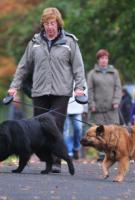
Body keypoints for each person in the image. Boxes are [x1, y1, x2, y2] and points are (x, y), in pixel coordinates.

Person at [7, 7, 86, 173]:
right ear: (42, 25)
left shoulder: (69, 42)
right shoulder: (35, 43)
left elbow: (78, 67)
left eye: (52, 23)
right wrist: (14, 87)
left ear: (58, 23)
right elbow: (23, 67)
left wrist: (80, 88)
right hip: (40, 92)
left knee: (55, 126)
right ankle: (47, 160)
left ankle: (56, 162)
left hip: (61, 92)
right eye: (46, 23)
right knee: (38, 128)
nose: (49, 26)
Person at [87, 49, 122, 161]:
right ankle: (102, 154)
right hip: (97, 108)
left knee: (113, 131)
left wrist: (116, 101)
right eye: (102, 58)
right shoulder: (92, 74)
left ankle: (114, 152)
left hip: (112, 108)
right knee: (99, 132)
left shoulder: (114, 72)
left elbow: (118, 88)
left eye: (106, 58)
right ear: (98, 60)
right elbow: (90, 90)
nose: (104, 60)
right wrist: (91, 103)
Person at [63, 84, 88, 160]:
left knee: (78, 129)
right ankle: (68, 152)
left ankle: (76, 148)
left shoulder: (80, 77)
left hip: (77, 108)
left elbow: (85, 93)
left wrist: (85, 108)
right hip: (64, 108)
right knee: (65, 131)